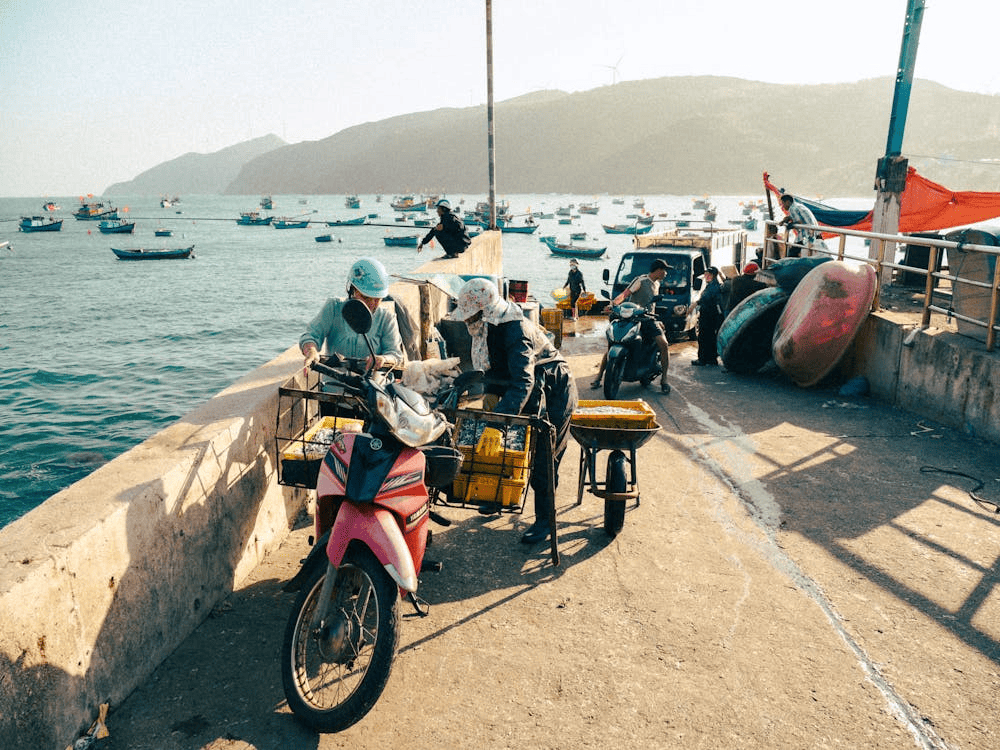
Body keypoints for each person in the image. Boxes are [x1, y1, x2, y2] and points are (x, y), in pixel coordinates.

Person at [449, 278, 579, 544]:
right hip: (527, 388)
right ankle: (497, 497)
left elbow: (523, 380)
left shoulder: (514, 329)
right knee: (504, 448)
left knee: (544, 457)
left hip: (553, 388)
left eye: (470, 315)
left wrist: (497, 425)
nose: (466, 321)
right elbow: (497, 368)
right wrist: (466, 380)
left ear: (484, 312)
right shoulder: (490, 329)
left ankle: (545, 520)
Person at [300, 258, 404, 407]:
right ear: (352, 290)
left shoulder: (386, 318)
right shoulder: (334, 308)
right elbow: (311, 335)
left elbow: (396, 355)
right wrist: (311, 350)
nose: (372, 304)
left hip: (372, 396)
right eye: (366, 297)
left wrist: (383, 359)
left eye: (377, 299)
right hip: (335, 393)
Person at [591, 258, 671, 394]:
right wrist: (613, 305)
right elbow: (625, 294)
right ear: (658, 271)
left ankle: (664, 380)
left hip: (648, 319)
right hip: (632, 318)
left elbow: (652, 305)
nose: (666, 274)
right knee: (614, 342)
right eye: (665, 271)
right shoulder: (640, 280)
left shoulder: (656, 284)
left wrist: (657, 319)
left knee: (663, 344)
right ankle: (599, 377)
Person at [691, 266, 724, 366]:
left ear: (713, 276)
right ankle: (710, 359)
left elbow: (705, 298)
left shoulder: (713, 286)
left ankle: (703, 359)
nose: (706, 276)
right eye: (705, 274)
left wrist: (695, 303)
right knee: (710, 337)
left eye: (708, 275)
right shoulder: (712, 285)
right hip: (710, 314)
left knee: (704, 337)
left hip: (708, 315)